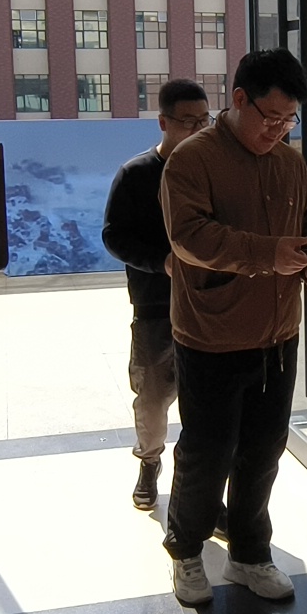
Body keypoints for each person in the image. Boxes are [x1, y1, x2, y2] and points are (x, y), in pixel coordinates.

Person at [159, 49, 307, 606]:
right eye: (270, 117)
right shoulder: (192, 159)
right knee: (208, 452)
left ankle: (250, 553)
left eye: (289, 120)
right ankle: (186, 551)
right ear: (238, 99)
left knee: (264, 450)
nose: (278, 130)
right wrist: (268, 254)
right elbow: (190, 237)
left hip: (278, 333)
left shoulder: (290, 163)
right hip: (212, 334)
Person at [102, 78, 212, 510]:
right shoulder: (136, 174)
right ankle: (149, 462)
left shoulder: (214, 170)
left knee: (207, 402)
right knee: (151, 397)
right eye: (188, 122)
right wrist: (160, 262)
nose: (199, 129)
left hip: (209, 306)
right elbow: (114, 237)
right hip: (155, 306)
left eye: (205, 120)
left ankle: (198, 484)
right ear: (163, 122)